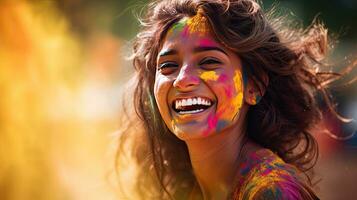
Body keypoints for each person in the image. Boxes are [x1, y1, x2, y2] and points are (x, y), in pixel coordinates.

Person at [116, 0, 351, 199]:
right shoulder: (189, 189)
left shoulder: (273, 191)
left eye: (209, 62)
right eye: (168, 66)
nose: (182, 80)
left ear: (255, 86)